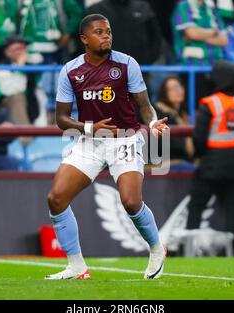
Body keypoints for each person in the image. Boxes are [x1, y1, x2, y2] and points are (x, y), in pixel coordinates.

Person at [45, 14, 168, 280]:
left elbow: (144, 105)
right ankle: (77, 267)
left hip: (125, 138)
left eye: (108, 31)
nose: (106, 36)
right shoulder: (70, 70)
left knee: (131, 202)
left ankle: (157, 249)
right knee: (56, 199)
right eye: (99, 32)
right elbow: (61, 119)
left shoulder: (126, 64)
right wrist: (90, 129)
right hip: (90, 141)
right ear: (84, 39)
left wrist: (154, 122)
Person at [186, 61, 234, 256]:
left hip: (212, 164)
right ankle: (233, 254)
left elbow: (199, 137)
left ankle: (188, 251)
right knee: (233, 210)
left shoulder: (212, 103)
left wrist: (199, 156)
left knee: (197, 206)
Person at [171, 0, 228, 104]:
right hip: (193, 69)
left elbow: (224, 40)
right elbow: (192, 33)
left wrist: (199, 35)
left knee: (215, 109)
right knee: (196, 108)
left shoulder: (212, 8)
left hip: (215, 69)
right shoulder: (183, 6)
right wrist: (214, 32)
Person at [154, 76, 194, 170]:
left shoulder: (183, 115)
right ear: (165, 93)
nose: (178, 91)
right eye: (173, 89)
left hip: (184, 161)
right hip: (168, 163)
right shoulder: (159, 113)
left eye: (179, 87)